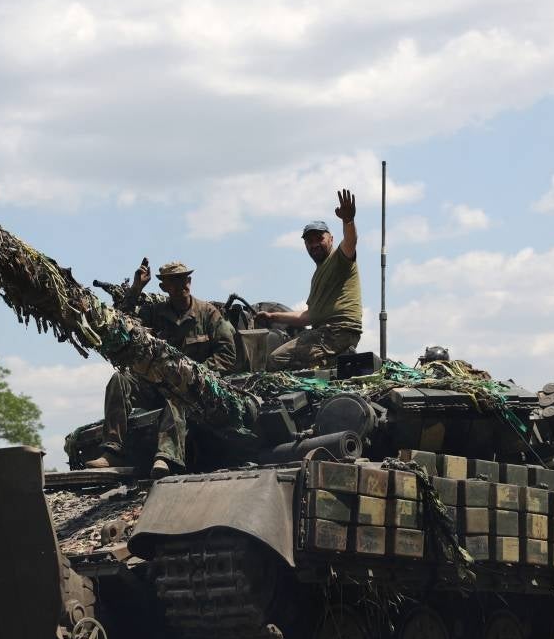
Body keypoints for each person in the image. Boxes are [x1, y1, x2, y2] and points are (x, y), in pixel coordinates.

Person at [86, 259, 237, 478]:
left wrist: (196, 374)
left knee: (179, 393)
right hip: (155, 383)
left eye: (183, 279)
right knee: (120, 379)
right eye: (172, 282)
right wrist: (136, 288)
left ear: (190, 281)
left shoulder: (208, 313)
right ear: (163, 287)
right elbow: (119, 325)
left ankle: (166, 456)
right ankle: (113, 450)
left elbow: (227, 354)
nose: (179, 285)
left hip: (195, 387)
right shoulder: (155, 313)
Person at [256, 189, 362, 371]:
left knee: (276, 359)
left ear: (331, 239)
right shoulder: (318, 274)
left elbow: (351, 241)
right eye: (309, 241)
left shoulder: (339, 258)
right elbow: (308, 316)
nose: (314, 244)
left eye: (319, 238)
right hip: (328, 333)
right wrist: (273, 316)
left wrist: (348, 221)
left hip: (336, 332)